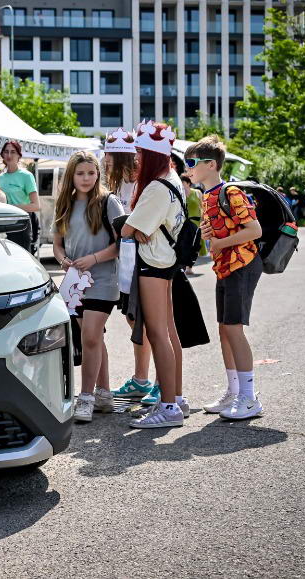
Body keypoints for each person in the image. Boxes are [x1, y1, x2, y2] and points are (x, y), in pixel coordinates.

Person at [185, 135, 265, 420]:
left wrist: (219, 243)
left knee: (233, 329)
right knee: (224, 330)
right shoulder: (207, 195)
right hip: (225, 267)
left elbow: (254, 230)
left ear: (211, 165)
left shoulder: (230, 192)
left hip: (242, 264)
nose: (188, 168)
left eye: (192, 163)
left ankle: (249, 397)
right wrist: (210, 236)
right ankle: (234, 390)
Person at [120, 121, 187, 429]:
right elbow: (137, 227)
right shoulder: (172, 177)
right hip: (166, 261)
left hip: (154, 264)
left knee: (158, 334)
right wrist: (137, 228)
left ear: (150, 155)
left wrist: (135, 228)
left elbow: (127, 229)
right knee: (167, 333)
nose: (136, 158)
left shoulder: (157, 186)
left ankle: (169, 407)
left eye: (140, 153)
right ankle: (175, 399)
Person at [52, 151, 124, 423]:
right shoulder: (65, 204)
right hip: (75, 284)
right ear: (71, 175)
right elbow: (57, 245)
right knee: (94, 339)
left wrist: (94, 258)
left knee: (90, 337)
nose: (86, 178)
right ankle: (103, 393)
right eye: (80, 173)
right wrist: (63, 260)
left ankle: (85, 398)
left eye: (91, 173)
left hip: (104, 280)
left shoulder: (108, 201)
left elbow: (122, 242)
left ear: (98, 174)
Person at [102, 127, 154, 402]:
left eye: (110, 155)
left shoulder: (142, 183)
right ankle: (141, 378)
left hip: (145, 259)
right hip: (125, 259)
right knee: (133, 319)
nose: (106, 160)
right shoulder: (117, 183)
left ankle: (151, 380)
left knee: (146, 321)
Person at [0, 140, 39, 252]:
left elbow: (36, 206)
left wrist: (12, 208)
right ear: (2, 155)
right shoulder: (0, 178)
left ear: (19, 155)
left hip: (22, 225)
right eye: (6, 152)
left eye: (13, 152)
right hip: (4, 226)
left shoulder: (26, 176)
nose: (9, 155)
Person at [181, 174, 206, 274]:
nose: (181, 184)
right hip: (184, 223)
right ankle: (186, 267)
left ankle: (189, 266)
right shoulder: (179, 193)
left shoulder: (197, 193)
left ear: (188, 183)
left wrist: (204, 220)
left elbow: (203, 207)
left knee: (194, 245)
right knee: (185, 245)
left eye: (183, 182)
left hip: (196, 222)